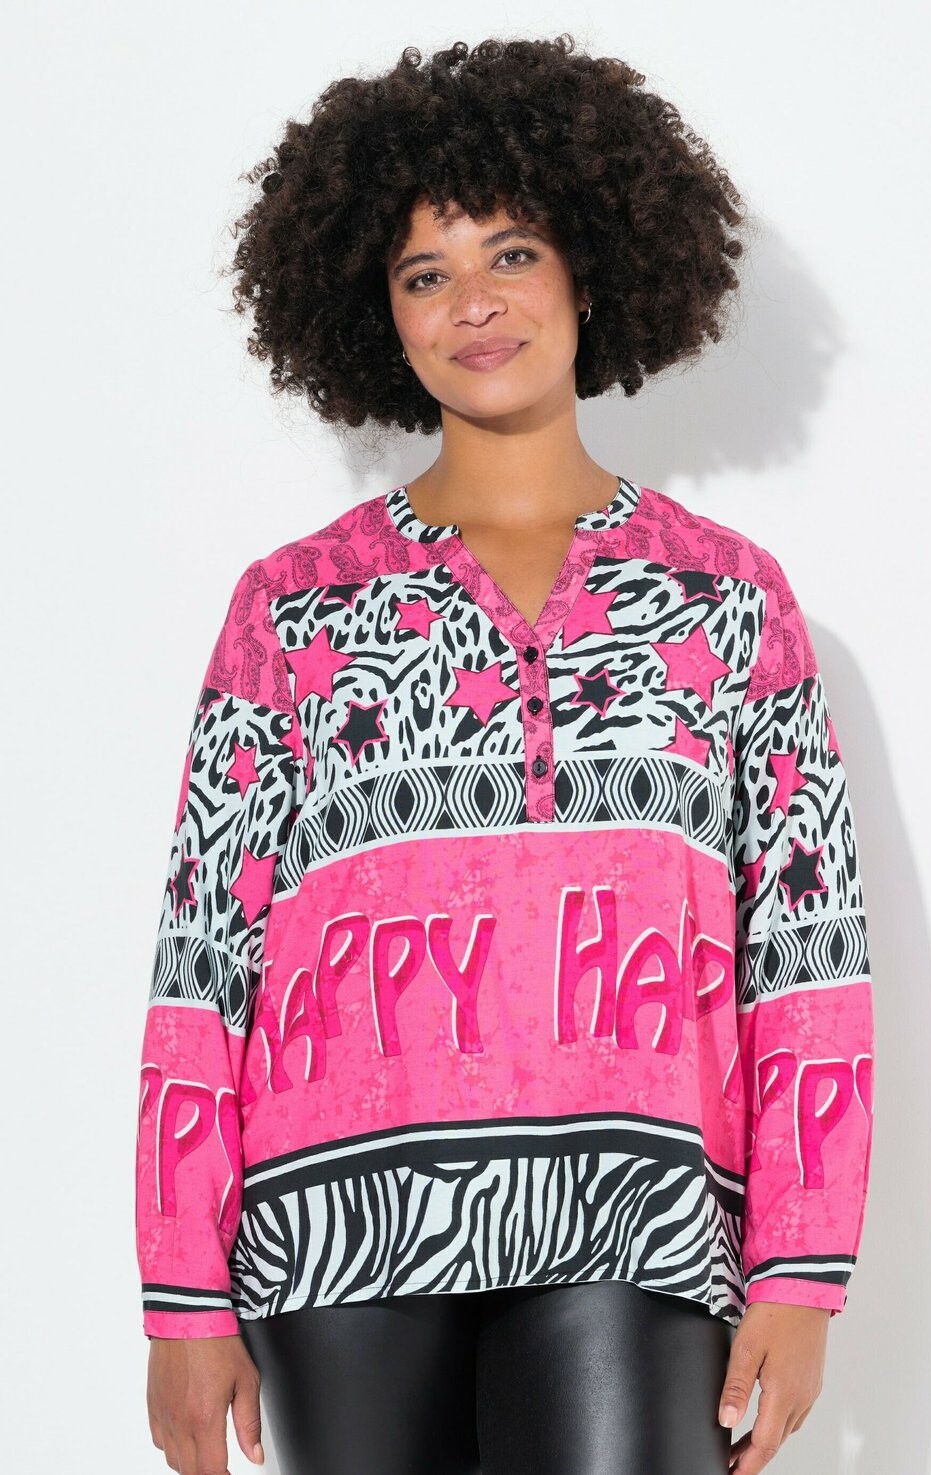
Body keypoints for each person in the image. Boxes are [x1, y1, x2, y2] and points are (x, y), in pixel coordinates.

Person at [136, 34, 875, 1475]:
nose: (474, 302)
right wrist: (181, 1295)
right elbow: (205, 951)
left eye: (513, 254)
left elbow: (810, 944)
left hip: (641, 1220)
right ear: (379, 314)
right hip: (338, 1235)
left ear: (590, 271)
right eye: (426, 273)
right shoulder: (292, 605)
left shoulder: (729, 598)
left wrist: (802, 1268)